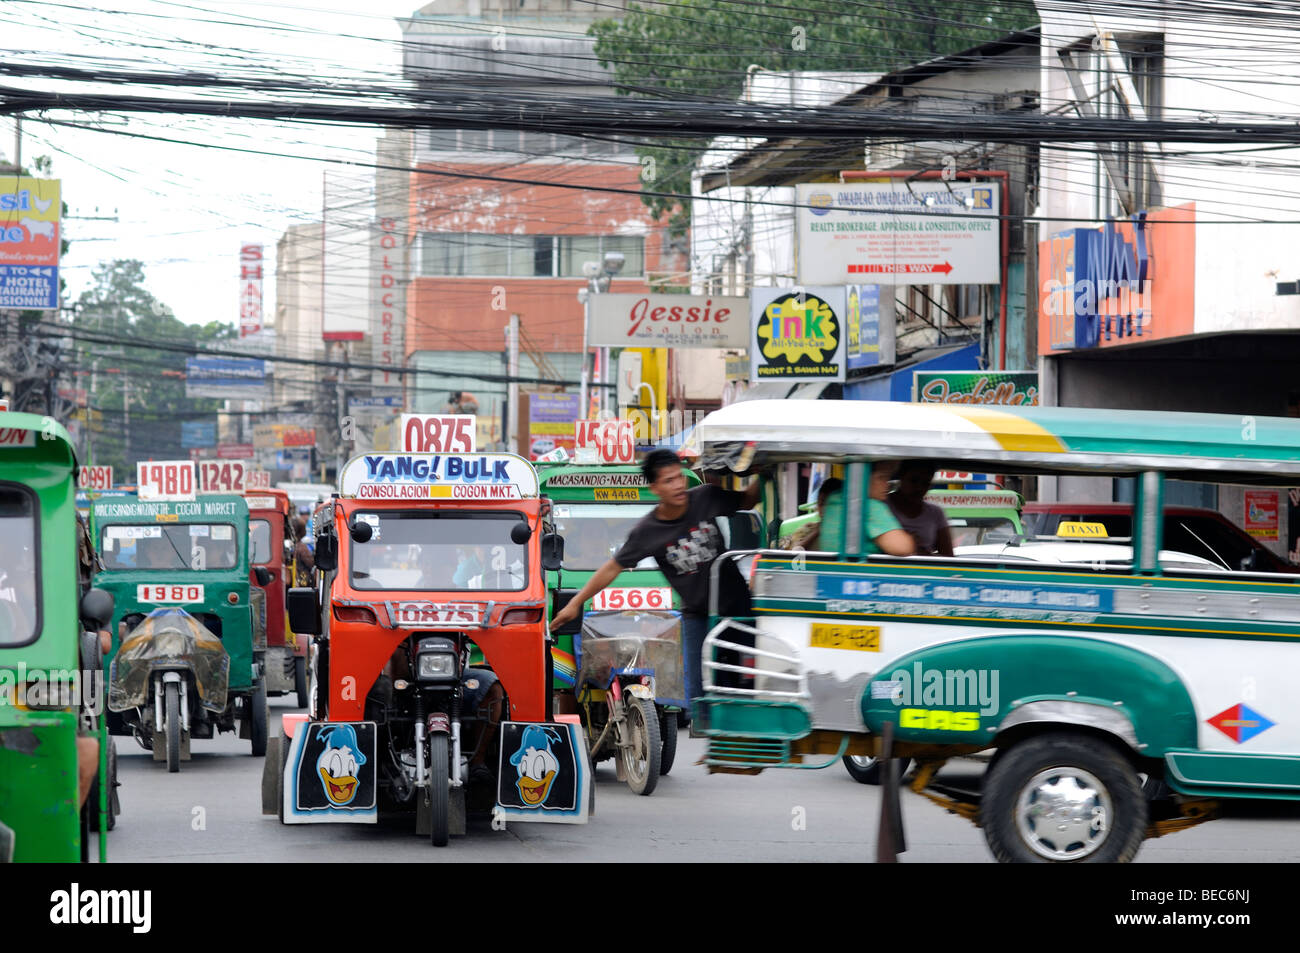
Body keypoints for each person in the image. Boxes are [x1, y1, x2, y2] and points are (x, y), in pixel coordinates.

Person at [549, 449, 762, 712]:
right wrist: (575, 603)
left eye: (679, 477)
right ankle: (716, 749)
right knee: (701, 696)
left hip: (737, 607)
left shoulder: (705, 497)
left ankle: (747, 747)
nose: (678, 485)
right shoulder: (647, 532)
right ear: (655, 488)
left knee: (751, 684)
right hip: (698, 616)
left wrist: (763, 468)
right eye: (668, 481)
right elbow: (611, 569)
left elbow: (749, 501)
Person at [888, 460, 954, 556]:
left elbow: (948, 556)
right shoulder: (881, 506)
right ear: (901, 477)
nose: (919, 488)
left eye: (925, 483)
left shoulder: (936, 513)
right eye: (914, 481)